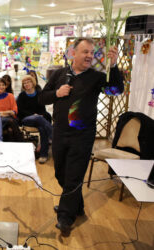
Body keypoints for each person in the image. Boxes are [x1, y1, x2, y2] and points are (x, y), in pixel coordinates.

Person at [39, 38, 124, 235]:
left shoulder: (96, 77)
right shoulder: (59, 74)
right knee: (60, 173)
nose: (89, 56)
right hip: (59, 132)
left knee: (74, 176)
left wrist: (115, 65)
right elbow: (42, 98)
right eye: (85, 51)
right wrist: (57, 93)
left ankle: (65, 216)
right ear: (73, 53)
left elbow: (116, 90)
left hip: (83, 135)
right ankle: (77, 206)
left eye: (91, 52)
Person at [17, 75, 52, 164]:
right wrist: (34, 115)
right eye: (24, 83)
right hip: (26, 119)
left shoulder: (39, 94)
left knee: (42, 128)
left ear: (33, 83)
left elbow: (43, 110)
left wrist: (39, 115)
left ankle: (43, 155)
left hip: (39, 120)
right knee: (38, 118)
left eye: (28, 82)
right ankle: (53, 135)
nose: (26, 84)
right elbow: (20, 111)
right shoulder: (22, 95)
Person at [0, 77, 22, 142]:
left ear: (5, 86)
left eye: (3, 85)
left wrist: (2, 113)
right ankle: (21, 142)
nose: (1, 87)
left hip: (12, 119)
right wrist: (9, 112)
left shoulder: (10, 96)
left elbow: (15, 111)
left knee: (10, 130)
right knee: (10, 122)